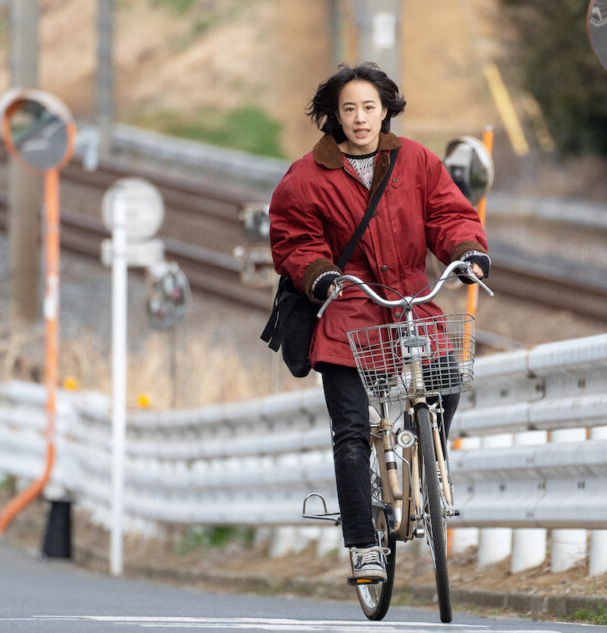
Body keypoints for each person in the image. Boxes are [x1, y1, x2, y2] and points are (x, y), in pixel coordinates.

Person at [268, 62, 489, 581]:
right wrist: (320, 275)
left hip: (411, 298)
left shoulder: (415, 160)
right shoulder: (305, 176)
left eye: (369, 107)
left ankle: (427, 465)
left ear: (386, 108)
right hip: (347, 308)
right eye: (349, 109)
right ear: (334, 116)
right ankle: (364, 546)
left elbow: (447, 213)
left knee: (446, 382)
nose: (361, 118)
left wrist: (466, 252)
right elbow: (294, 241)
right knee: (349, 431)